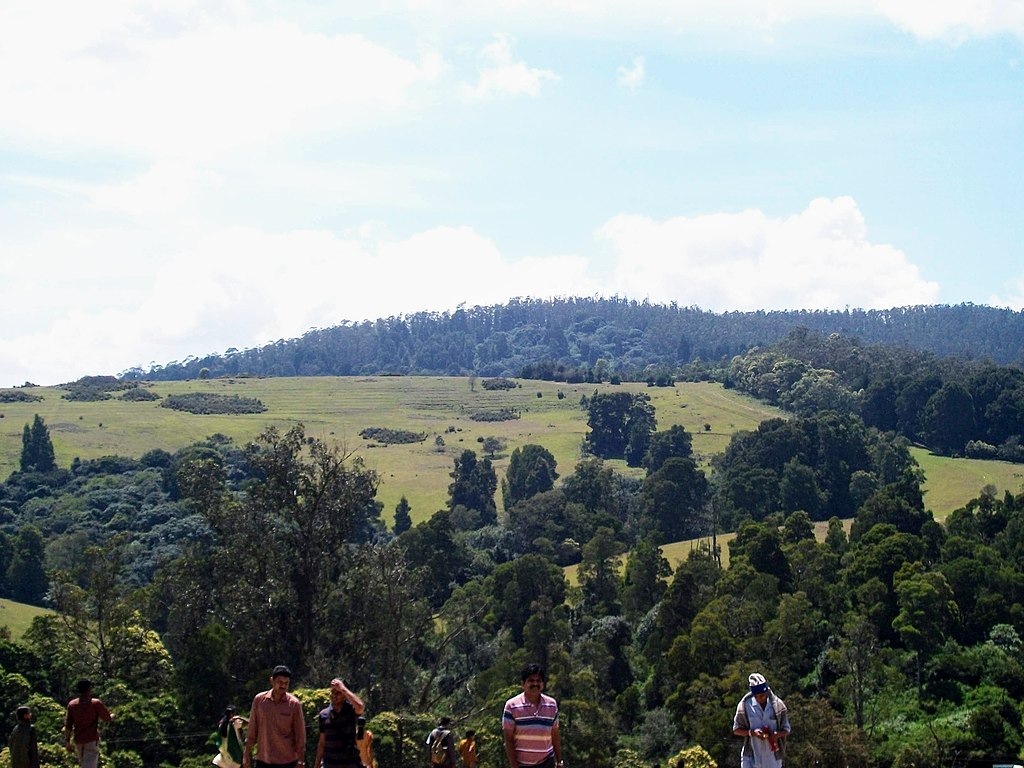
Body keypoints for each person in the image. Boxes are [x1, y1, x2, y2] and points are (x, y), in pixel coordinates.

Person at [243, 665, 306, 768]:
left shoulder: (294, 704)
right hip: (263, 760)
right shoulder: (259, 701)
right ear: (272, 681)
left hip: (287, 761)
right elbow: (252, 731)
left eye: (286, 683)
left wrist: (301, 761)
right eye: (280, 682)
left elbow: (300, 736)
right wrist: (246, 755)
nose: (283, 686)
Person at [502, 663, 562, 768]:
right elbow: (508, 740)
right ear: (523, 684)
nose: (535, 684)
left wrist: (559, 761)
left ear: (543, 684)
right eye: (531, 681)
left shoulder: (551, 705)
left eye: (538, 681)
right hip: (522, 764)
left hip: (546, 762)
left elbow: (555, 734)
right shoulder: (512, 706)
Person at [732, 673, 791, 768]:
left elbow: (787, 729)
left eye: (763, 696)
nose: (760, 699)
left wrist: (776, 735)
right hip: (751, 757)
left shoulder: (778, 705)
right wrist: (752, 733)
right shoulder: (745, 705)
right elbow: (736, 730)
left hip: (772, 758)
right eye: (757, 697)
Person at [314, 678, 366, 768]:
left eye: (338, 693)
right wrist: (317, 764)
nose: (334, 695)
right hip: (330, 763)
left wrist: (343, 688)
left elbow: (360, 707)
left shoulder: (350, 710)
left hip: (350, 763)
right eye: (332, 692)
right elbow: (322, 742)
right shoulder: (324, 714)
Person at [64, 679, 114, 768]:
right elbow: (107, 718)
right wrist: (112, 716)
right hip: (91, 739)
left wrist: (67, 741)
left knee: (83, 764)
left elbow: (68, 725)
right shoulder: (95, 703)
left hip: (78, 741)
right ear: (89, 689)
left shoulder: (72, 705)